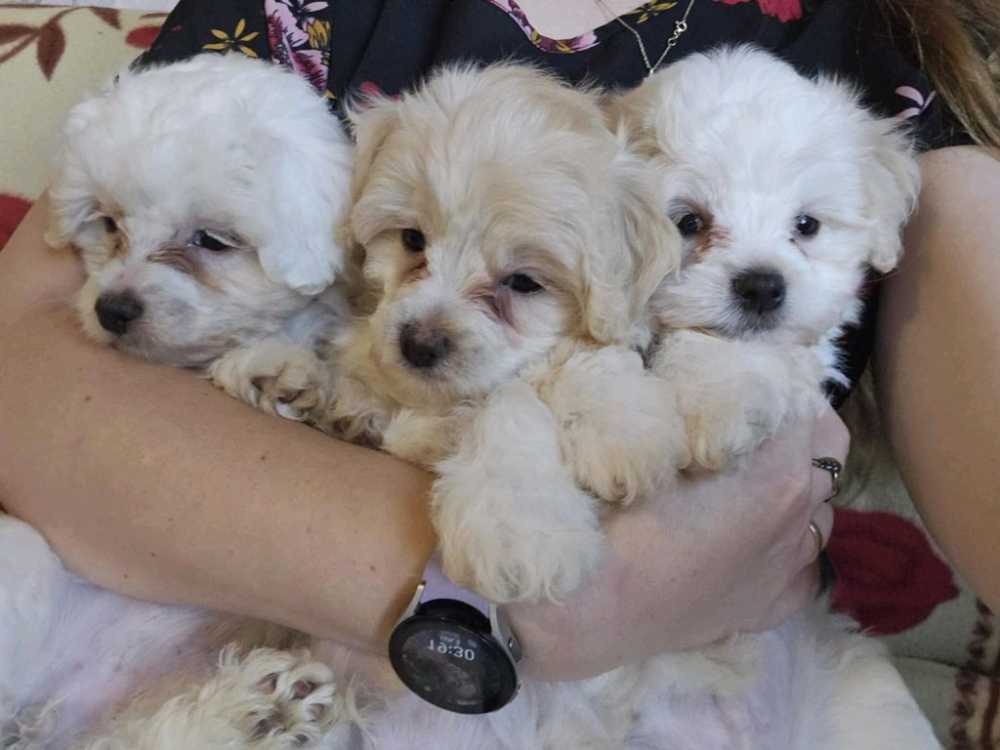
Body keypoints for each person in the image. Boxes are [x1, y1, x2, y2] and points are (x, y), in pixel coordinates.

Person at [0, 0, 996, 684]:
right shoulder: (295, 18)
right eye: (692, 224)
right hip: (300, 639)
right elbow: (25, 365)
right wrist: (514, 602)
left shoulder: (890, 51)